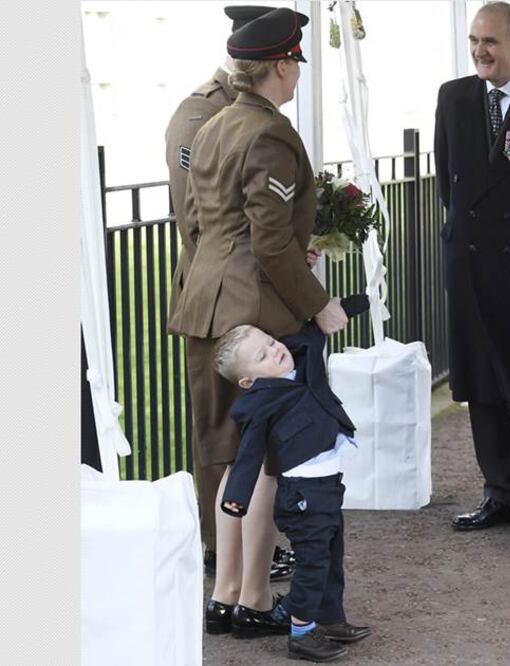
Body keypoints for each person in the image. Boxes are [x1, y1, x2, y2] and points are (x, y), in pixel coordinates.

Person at [168, 7, 348, 638]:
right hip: (253, 310)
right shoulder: (269, 133)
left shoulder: (213, 124)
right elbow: (270, 245)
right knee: (268, 460)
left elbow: (197, 222)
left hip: (206, 302)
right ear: (280, 66)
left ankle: (224, 597)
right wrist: (319, 304)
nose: (297, 73)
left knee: (225, 454)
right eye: (295, 63)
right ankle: (251, 599)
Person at [164, 3, 296, 583]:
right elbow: (196, 222)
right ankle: (223, 555)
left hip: (244, 290)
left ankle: (249, 555)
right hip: (221, 295)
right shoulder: (202, 111)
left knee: (251, 434)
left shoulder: (247, 110)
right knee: (222, 435)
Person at [434, 1, 510, 535]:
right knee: (480, 380)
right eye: (474, 41)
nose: (480, 51)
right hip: (470, 259)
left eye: (491, 42)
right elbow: (447, 181)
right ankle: (497, 489)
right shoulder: (453, 96)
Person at [215, 294, 372, 662]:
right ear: (248, 380)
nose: (276, 351)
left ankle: (329, 618)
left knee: (331, 556)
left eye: (271, 342)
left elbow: (316, 329)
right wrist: (236, 498)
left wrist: (357, 303)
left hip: (327, 486)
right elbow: (248, 456)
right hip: (301, 494)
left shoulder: (300, 357)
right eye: (263, 355)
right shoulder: (258, 404)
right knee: (312, 563)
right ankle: (301, 632)